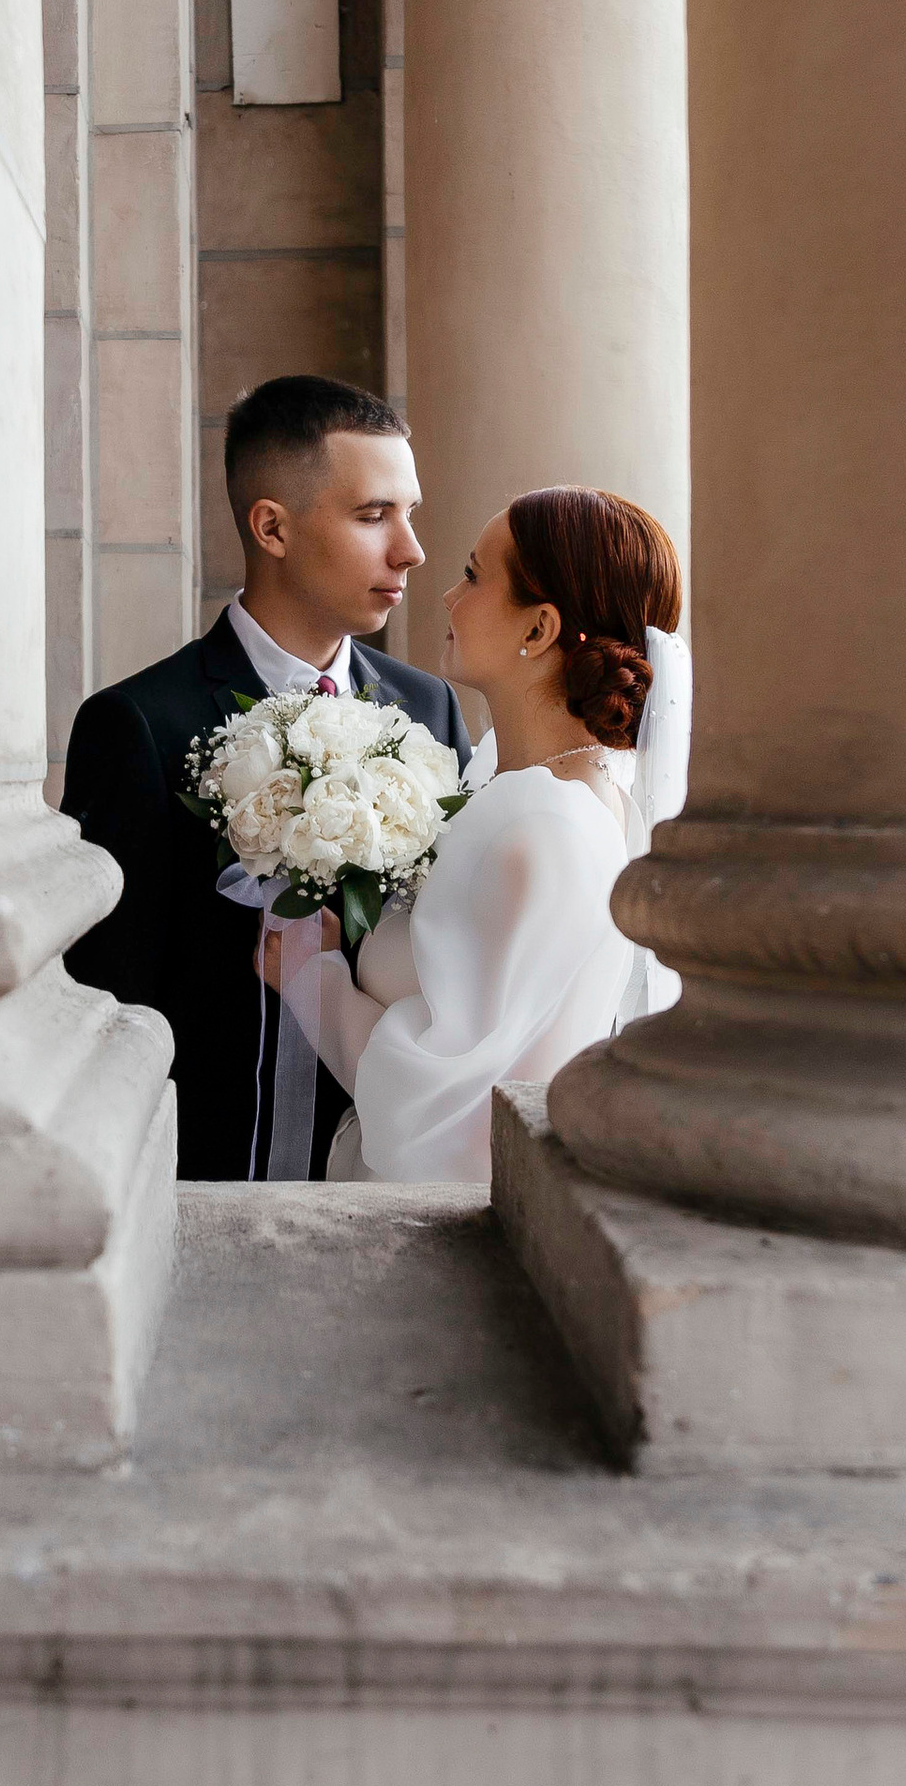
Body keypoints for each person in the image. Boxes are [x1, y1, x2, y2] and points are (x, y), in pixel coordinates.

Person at [61, 375, 470, 1180]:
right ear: (272, 528)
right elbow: (106, 1000)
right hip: (194, 1177)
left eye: (410, 514)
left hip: (373, 1174)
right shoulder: (139, 723)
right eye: (372, 515)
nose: (411, 550)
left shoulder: (429, 712)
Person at [294, 484, 690, 1190]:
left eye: (475, 575)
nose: (448, 594)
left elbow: (443, 1105)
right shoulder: (511, 784)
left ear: (537, 630)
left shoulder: (542, 825)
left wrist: (310, 977)